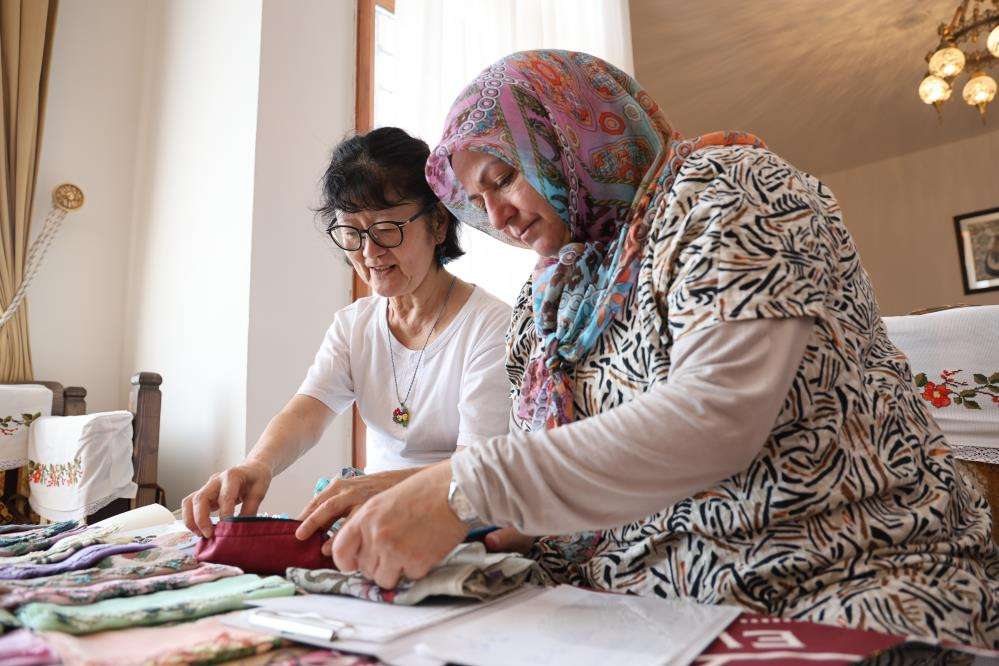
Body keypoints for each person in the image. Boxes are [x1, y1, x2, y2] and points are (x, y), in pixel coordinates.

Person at [325, 51, 999, 648]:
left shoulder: (728, 190)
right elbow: (567, 466)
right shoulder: (551, 294)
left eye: (503, 176)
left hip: (833, 585)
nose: (495, 217)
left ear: (571, 134)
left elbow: (714, 418)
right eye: (476, 201)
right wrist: (409, 493)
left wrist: (461, 489)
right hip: (639, 601)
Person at [181, 127, 512, 541]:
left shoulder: (492, 327)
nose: (369, 253)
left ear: (439, 223)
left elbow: (479, 468)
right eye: (351, 233)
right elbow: (307, 412)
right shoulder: (355, 325)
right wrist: (257, 465)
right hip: (382, 517)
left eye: (387, 229)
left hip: (464, 519)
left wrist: (376, 486)